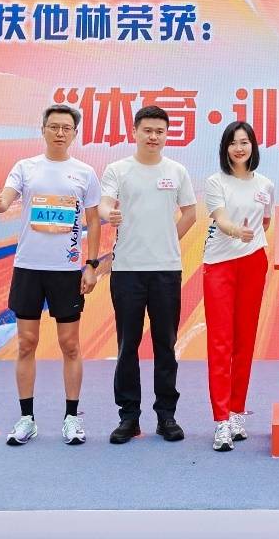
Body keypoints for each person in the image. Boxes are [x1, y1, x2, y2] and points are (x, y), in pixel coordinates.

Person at [0, 104, 101, 446]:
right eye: (54, 126)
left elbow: (93, 221)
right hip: (29, 268)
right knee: (26, 343)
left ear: (74, 133)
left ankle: (71, 418)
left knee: (70, 345)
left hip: (66, 270)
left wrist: (91, 265)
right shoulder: (25, 168)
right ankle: (27, 419)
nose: (60, 132)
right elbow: (4, 202)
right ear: (43, 130)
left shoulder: (84, 173)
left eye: (66, 128)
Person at [99, 106, 197, 444]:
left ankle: (166, 415)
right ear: (135, 132)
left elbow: (190, 213)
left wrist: (167, 238)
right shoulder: (118, 169)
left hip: (166, 270)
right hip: (127, 270)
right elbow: (105, 203)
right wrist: (109, 214)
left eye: (160, 131)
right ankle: (129, 417)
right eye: (147, 130)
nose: (153, 137)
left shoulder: (176, 171)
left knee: (165, 345)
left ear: (166, 135)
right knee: (127, 344)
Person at [201, 122, 274, 452]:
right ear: (225, 148)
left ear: (253, 146)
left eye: (244, 142)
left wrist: (250, 239)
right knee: (221, 342)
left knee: (245, 341)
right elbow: (220, 218)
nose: (239, 148)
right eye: (233, 143)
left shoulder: (266, 185)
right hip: (220, 264)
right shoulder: (216, 182)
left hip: (253, 263)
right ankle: (220, 420)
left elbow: (265, 222)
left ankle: (236, 412)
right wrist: (235, 232)